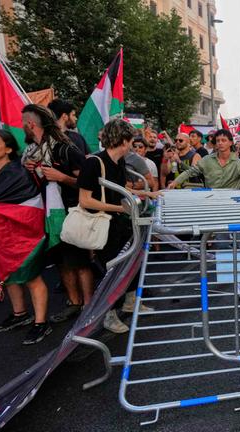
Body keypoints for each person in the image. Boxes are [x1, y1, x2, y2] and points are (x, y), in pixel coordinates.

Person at [77, 119, 161, 333]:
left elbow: (122, 188)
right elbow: (85, 200)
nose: (133, 146)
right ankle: (109, 315)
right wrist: (118, 208)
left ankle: (131, 302)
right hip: (103, 224)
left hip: (120, 222)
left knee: (133, 261)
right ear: (123, 141)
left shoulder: (119, 162)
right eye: (131, 141)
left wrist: (146, 193)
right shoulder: (94, 163)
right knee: (111, 270)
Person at [20, 104, 92, 325]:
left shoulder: (65, 148)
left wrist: (62, 177)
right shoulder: (33, 151)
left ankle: (90, 307)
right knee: (61, 262)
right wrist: (32, 172)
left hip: (71, 213)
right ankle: (74, 302)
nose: (21, 126)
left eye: (23, 121)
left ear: (31, 124)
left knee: (79, 262)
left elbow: (87, 182)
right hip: (49, 215)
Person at [0, 129, 53, 344]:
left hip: (23, 235)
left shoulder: (18, 172)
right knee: (6, 275)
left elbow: (30, 205)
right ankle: (20, 315)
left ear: (8, 148)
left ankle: (41, 323)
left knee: (31, 277)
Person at [167, 129, 240, 190]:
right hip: (211, 200)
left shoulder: (238, 163)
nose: (220, 143)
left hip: (231, 202)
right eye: (218, 140)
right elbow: (190, 172)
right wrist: (175, 182)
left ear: (230, 143)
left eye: (224, 140)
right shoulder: (207, 160)